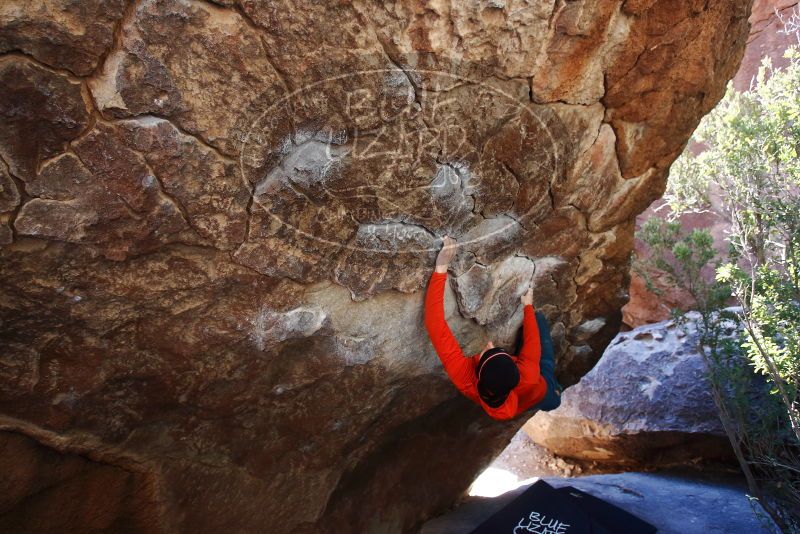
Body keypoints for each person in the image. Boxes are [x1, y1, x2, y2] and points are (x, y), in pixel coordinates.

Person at [424, 236, 563, 421]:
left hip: (523, 402)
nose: (489, 344)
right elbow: (533, 343)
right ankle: (556, 395)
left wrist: (440, 270)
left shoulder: (466, 379)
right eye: (495, 350)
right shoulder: (528, 375)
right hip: (541, 390)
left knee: (538, 393)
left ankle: (543, 401)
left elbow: (435, 326)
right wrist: (528, 307)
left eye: (488, 352)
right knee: (551, 389)